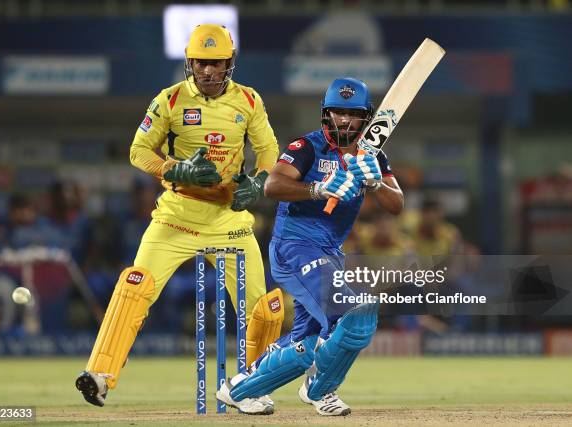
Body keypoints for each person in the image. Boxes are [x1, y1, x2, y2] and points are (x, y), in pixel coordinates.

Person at [75, 24, 284, 411]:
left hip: (229, 222)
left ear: (229, 64)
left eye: (216, 63)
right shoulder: (169, 101)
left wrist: (257, 184)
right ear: (190, 62)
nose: (208, 71)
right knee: (135, 286)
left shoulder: (250, 102)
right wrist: (175, 170)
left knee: (261, 307)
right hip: (175, 218)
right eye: (201, 63)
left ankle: (254, 386)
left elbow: (269, 150)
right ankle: (99, 376)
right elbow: (139, 151)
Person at [216, 77, 404, 415]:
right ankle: (320, 390)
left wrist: (375, 182)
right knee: (356, 312)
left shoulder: (373, 156)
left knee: (307, 340)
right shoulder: (307, 147)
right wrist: (319, 190)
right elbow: (273, 186)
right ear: (326, 115)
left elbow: (397, 204)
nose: (345, 121)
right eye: (338, 113)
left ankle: (240, 389)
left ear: (366, 118)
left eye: (353, 114)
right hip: (294, 247)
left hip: (329, 253)